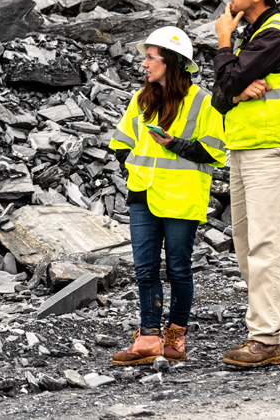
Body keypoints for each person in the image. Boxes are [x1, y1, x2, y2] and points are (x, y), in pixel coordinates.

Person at [109, 26, 226, 365]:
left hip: (182, 197)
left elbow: (214, 151)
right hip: (144, 193)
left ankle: (175, 338)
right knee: (144, 269)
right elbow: (121, 142)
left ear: (171, 62)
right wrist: (130, 170)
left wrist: (173, 144)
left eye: (151, 57)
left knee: (178, 269)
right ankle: (148, 338)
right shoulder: (140, 98)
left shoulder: (203, 101)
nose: (144, 64)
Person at [212, 0, 280, 368]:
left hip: (272, 148)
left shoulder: (275, 36)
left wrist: (224, 45)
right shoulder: (257, 35)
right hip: (248, 149)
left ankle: (264, 339)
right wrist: (234, 88)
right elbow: (220, 95)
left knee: (265, 244)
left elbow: (227, 78)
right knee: (249, 244)